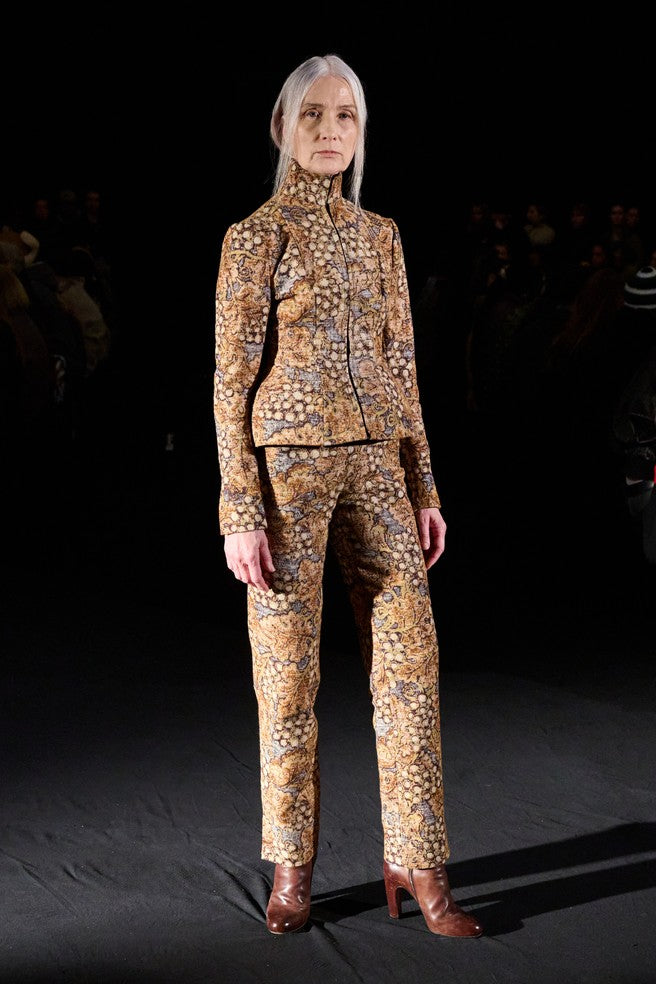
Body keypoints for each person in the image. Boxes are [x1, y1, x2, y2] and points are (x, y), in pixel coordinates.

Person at [213, 54, 483, 939]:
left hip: (378, 467)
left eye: (347, 116)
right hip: (287, 471)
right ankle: (292, 867)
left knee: (410, 668)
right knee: (287, 677)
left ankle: (418, 860)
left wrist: (424, 485)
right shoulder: (255, 236)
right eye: (314, 114)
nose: (331, 131)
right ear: (283, 125)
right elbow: (229, 380)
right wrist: (240, 510)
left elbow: (404, 367)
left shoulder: (382, 235)